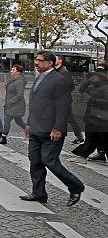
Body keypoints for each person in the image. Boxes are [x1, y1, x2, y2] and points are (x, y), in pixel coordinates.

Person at [21, 50, 84, 206]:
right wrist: (29, 123)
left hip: (51, 130)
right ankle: (39, 193)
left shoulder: (59, 80)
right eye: (36, 60)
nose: (36, 63)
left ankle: (76, 186)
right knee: (35, 161)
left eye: (40, 60)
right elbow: (36, 104)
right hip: (36, 128)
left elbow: (63, 107)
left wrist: (57, 128)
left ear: (50, 63)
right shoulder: (39, 78)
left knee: (49, 160)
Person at [73, 64, 108, 161]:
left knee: (101, 138)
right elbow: (82, 89)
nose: (92, 77)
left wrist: (91, 99)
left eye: (95, 75)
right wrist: (88, 81)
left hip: (101, 118)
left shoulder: (105, 87)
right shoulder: (93, 86)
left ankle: (85, 154)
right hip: (93, 117)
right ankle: (89, 154)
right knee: (93, 137)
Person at [55, 54, 85, 144]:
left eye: (55, 59)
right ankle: (78, 136)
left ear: (60, 60)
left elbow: (70, 86)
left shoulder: (63, 71)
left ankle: (79, 136)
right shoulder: (57, 70)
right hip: (60, 99)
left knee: (70, 118)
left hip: (64, 100)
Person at [0, 65, 27, 144]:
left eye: (13, 70)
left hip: (15, 105)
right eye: (11, 69)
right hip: (11, 104)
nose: (11, 71)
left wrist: (10, 102)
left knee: (6, 120)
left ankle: (3, 137)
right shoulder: (13, 80)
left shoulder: (19, 82)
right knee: (19, 121)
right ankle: (32, 131)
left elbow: (19, 95)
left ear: (18, 72)